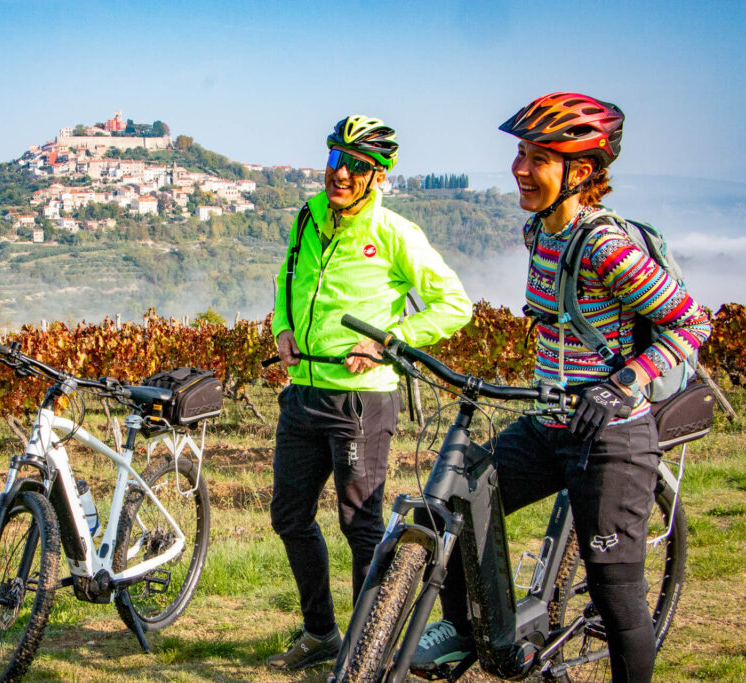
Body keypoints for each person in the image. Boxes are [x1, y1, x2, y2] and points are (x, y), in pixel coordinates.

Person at [411, 93, 711, 683]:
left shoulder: (605, 247)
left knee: (615, 590)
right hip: (551, 425)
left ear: (583, 172)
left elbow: (691, 322)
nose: (521, 168)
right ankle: (470, 634)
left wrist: (623, 383)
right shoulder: (536, 233)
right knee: (450, 506)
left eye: (539, 158)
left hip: (612, 436)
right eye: (521, 153)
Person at [266, 114, 472, 670]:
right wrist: (282, 327)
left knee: (360, 527)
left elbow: (456, 304)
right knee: (288, 515)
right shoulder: (307, 216)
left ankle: (365, 652)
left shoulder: (395, 235)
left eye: (358, 165)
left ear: (378, 176)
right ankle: (322, 633)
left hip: (362, 402)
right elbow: (288, 279)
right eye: (336, 158)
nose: (342, 173)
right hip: (303, 391)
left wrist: (390, 341)